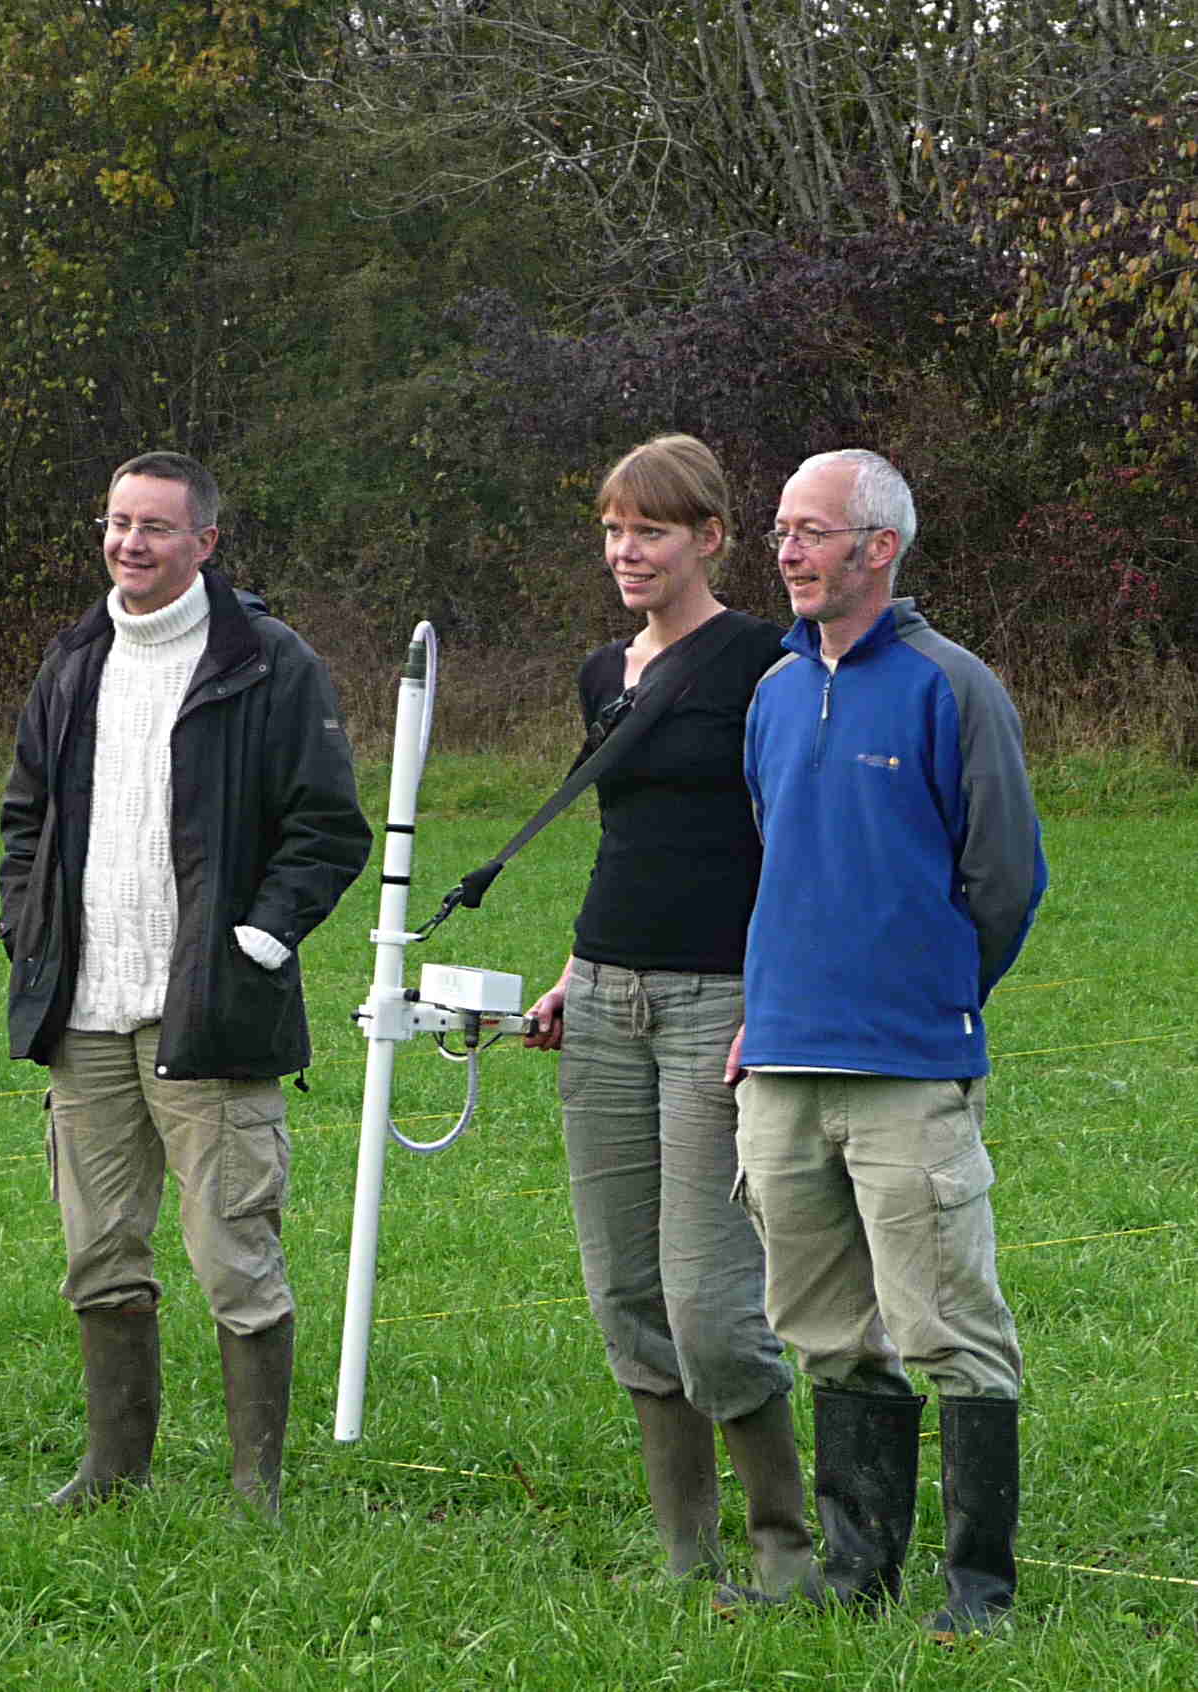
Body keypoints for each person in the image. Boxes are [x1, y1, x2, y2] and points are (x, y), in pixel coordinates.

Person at [0, 450, 370, 1517]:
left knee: (235, 1257)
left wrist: (259, 939)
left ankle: (258, 1486)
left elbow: (326, 826)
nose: (130, 544)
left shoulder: (269, 662)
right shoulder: (73, 661)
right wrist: (29, 931)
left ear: (205, 542)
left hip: (212, 1015)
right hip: (84, 1016)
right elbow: (23, 821)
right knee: (99, 1253)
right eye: (117, 523)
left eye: (155, 527)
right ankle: (114, 1471)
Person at [728, 448, 1046, 1638]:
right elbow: (778, 867)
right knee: (821, 1331)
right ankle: (858, 1574)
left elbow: (1004, 880)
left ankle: (979, 1593)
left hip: (910, 1071)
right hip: (782, 1072)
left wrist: (933, 1000)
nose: (789, 553)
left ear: (879, 549)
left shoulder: (950, 688)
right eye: (779, 533)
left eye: (811, 532)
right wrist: (767, 1019)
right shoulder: (767, 694)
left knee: (945, 1329)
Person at [519, 435, 817, 1605]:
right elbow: (625, 844)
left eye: (649, 529)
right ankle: (686, 1558)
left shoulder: (764, 662)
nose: (625, 552)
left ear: (708, 537)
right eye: (610, 530)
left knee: (707, 1303)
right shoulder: (605, 672)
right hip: (602, 999)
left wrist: (776, 997)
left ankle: (786, 1556)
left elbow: (790, 843)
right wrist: (568, 974)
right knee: (624, 1295)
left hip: (719, 1004)